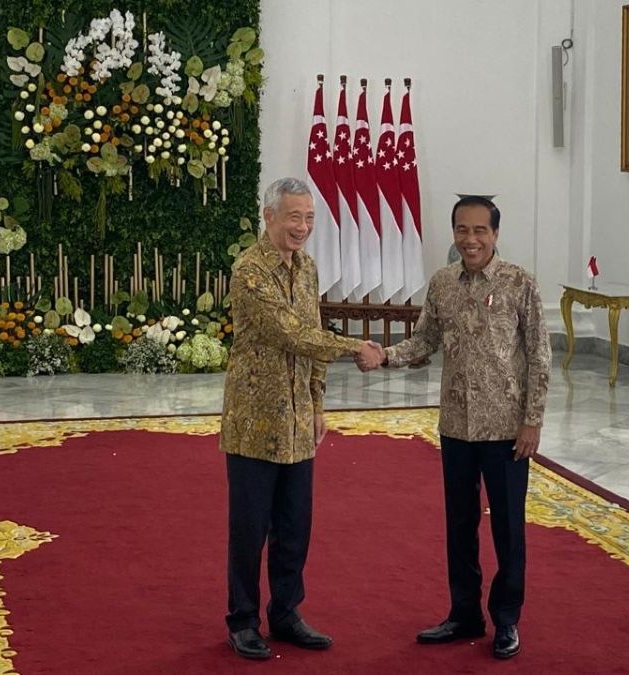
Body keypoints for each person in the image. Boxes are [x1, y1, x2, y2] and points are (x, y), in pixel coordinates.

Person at [357, 195, 551, 660]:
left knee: (507, 529)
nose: (471, 239)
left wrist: (532, 420)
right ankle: (464, 613)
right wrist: (386, 356)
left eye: (480, 230)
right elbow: (425, 339)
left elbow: (540, 355)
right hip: (457, 427)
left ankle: (506, 620)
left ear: (496, 234)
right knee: (459, 525)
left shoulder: (519, 283)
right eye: (462, 230)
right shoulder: (443, 283)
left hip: (506, 430)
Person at [221, 177, 385, 660]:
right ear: (268, 216)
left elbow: (310, 337)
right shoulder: (249, 270)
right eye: (294, 216)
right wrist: (355, 345)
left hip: (297, 423)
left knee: (295, 527)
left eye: (309, 218)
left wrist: (317, 403)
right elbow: (292, 334)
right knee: (250, 530)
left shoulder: (308, 268)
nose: (303, 227)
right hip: (254, 423)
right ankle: (243, 620)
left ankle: (286, 613)